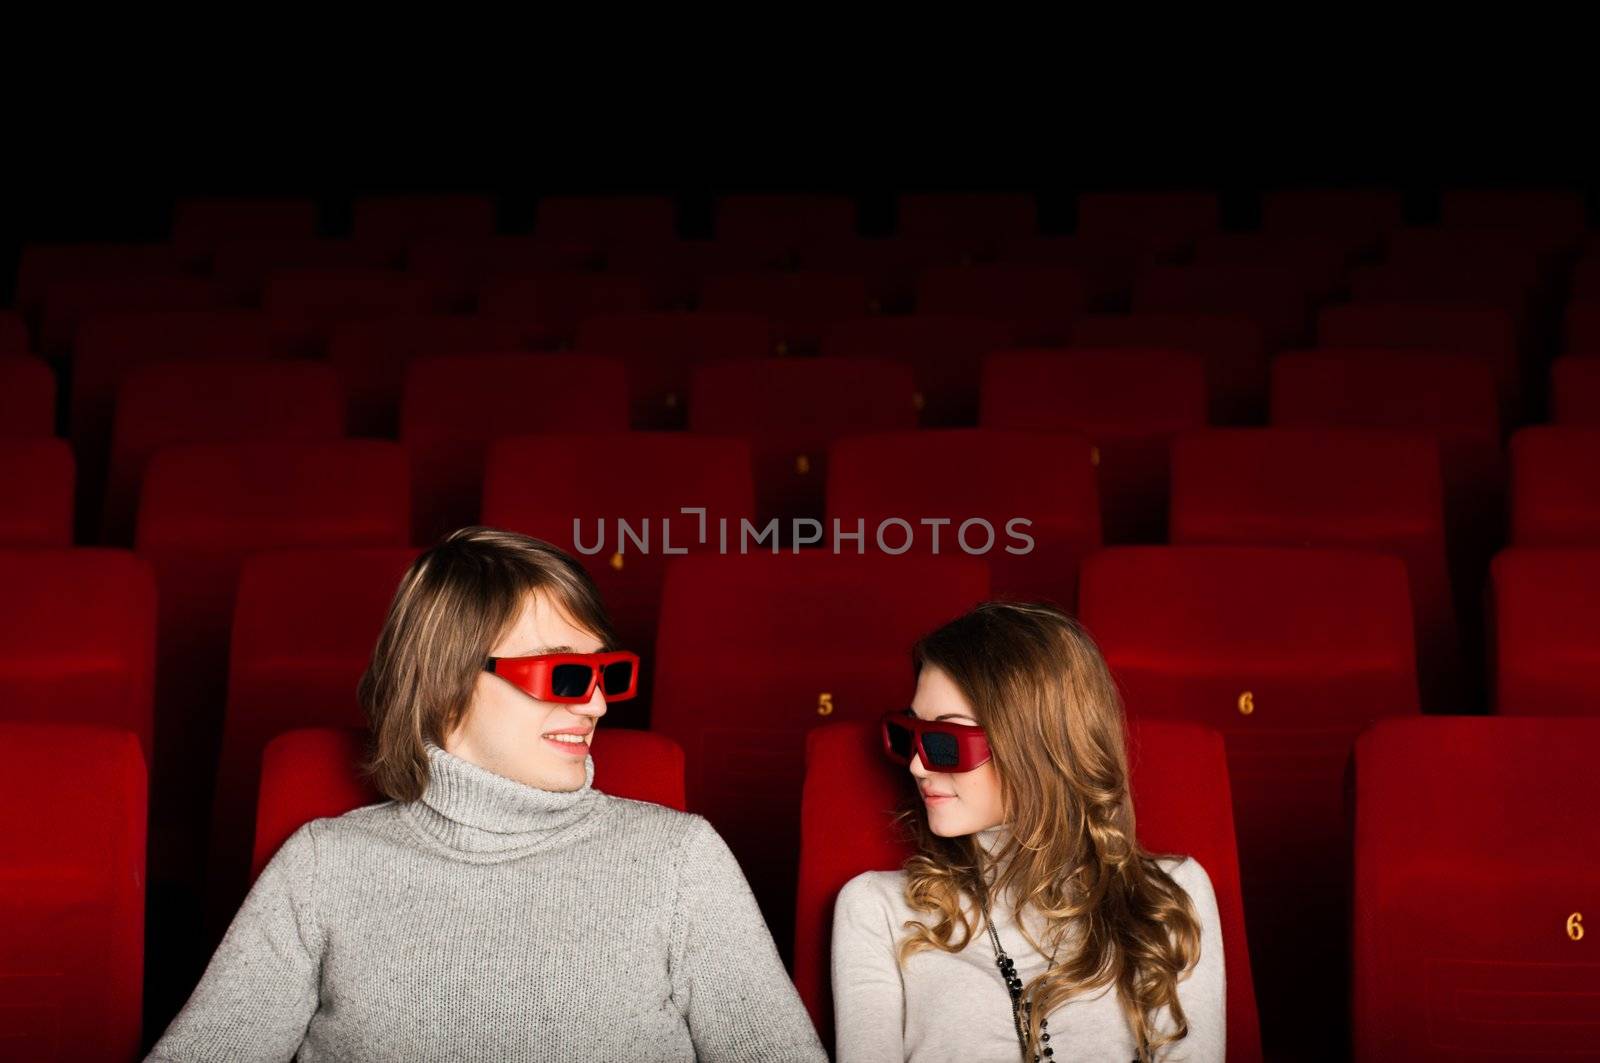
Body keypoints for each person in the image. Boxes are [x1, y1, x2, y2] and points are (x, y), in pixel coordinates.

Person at [146, 526, 827, 1062]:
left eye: (604, 673)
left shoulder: (682, 859)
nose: (595, 704)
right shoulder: (323, 866)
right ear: (447, 681)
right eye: (564, 674)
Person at [831, 601, 1225, 1062]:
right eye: (906, 734)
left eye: (945, 741)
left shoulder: (1165, 897)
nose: (917, 765)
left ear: (1036, 746)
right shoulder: (876, 908)